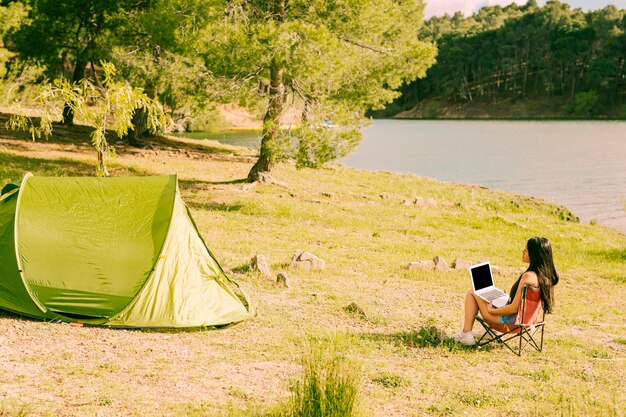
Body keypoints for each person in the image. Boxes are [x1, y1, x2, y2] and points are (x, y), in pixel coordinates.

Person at [453, 236, 559, 346]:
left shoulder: (528, 277)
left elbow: (513, 308)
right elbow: (522, 304)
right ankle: (490, 332)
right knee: (495, 297)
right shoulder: (545, 277)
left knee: (473, 292)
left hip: (509, 324)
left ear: (534, 255)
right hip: (527, 322)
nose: (523, 251)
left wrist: (491, 310)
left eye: (526, 250)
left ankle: (466, 334)